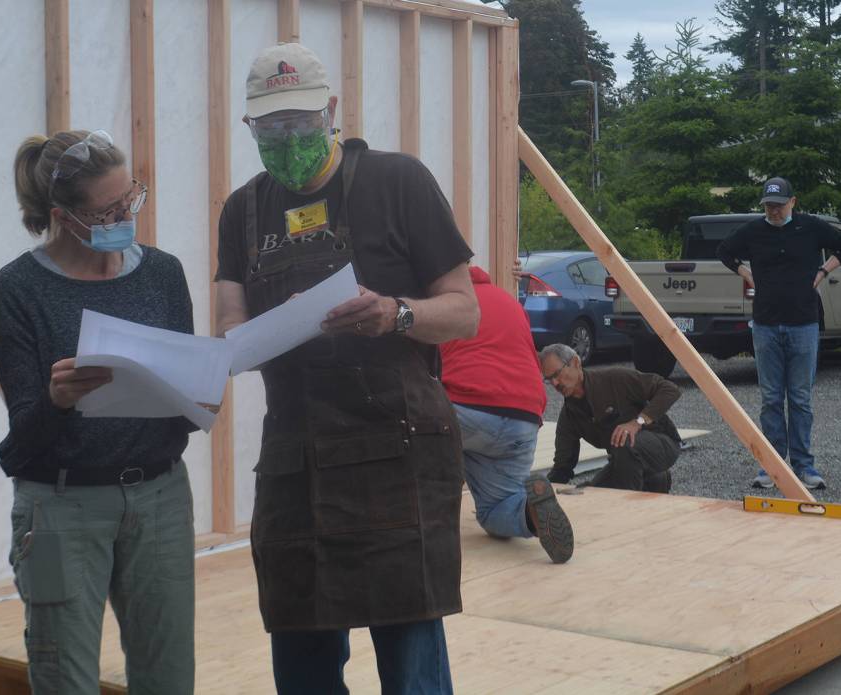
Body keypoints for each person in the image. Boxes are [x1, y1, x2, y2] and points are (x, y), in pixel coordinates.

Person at [214, 43, 478, 694]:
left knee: (410, 654)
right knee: (301, 658)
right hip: (295, 463)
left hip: (398, 456)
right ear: (250, 127)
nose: (284, 139)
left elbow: (465, 310)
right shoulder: (243, 211)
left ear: (331, 110)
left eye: (298, 123)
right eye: (268, 128)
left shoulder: (399, 182)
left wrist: (398, 314)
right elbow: (227, 330)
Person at [0, 130, 196, 693]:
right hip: (60, 509)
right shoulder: (19, 288)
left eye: (132, 197)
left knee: (169, 677)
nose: (127, 214)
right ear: (63, 216)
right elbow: (21, 441)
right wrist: (57, 401)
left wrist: (198, 389)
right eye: (109, 209)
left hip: (160, 499)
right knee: (64, 678)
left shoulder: (163, 273)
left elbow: (185, 398)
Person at [717, 177, 841, 490]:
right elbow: (724, 251)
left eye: (779, 205)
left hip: (803, 324)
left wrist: (822, 272)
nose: (773, 211)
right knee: (771, 398)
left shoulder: (811, 227)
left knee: (801, 399)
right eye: (768, 206)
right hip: (765, 325)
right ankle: (771, 466)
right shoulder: (753, 230)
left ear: (793, 202)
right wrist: (746, 273)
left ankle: (805, 466)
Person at [440, 264, 574, 564]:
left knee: (413, 428)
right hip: (522, 417)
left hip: (464, 409)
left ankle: (422, 518)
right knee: (497, 508)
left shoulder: (441, 305)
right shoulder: (508, 302)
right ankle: (529, 513)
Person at [542, 344, 681, 492]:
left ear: (576, 362)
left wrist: (637, 422)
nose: (555, 383)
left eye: (557, 374)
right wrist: (540, 492)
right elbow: (562, 466)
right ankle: (654, 480)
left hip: (663, 444)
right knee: (587, 493)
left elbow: (670, 389)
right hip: (622, 462)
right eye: (549, 379)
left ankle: (628, 507)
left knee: (624, 439)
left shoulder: (616, 378)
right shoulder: (569, 416)